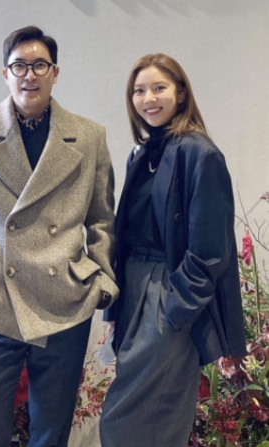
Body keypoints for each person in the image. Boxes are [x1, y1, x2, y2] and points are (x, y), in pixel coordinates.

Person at [0, 26, 119, 447]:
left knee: (51, 431)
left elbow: (102, 220)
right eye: (19, 66)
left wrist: (101, 283)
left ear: (55, 73)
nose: (29, 75)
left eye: (39, 65)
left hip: (64, 303)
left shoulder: (89, 136)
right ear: (5, 74)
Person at [100, 53, 247, 447]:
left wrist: (177, 309)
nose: (148, 98)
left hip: (170, 292)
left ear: (181, 94)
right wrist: (116, 307)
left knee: (145, 413)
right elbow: (124, 238)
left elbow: (211, 249)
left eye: (159, 88)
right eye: (139, 90)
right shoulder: (141, 155)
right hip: (134, 290)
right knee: (139, 410)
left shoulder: (201, 153)